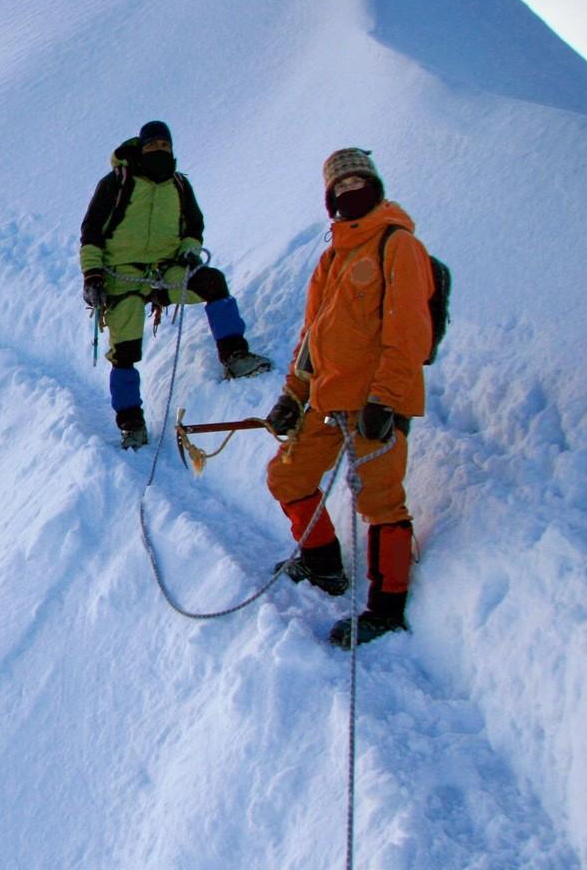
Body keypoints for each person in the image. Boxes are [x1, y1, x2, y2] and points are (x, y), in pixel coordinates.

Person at [263, 147, 434, 648]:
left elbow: (408, 333)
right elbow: (311, 338)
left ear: (375, 187)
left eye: (358, 182)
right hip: (327, 400)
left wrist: (386, 399)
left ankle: (387, 609)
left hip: (376, 404)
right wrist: (293, 395)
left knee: (380, 501)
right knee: (288, 477)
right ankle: (323, 566)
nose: (349, 191)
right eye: (340, 186)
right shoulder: (332, 257)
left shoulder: (398, 245)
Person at [80, 120, 272, 449]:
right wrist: (93, 276)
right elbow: (92, 234)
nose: (159, 150)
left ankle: (234, 356)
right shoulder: (116, 183)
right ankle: (130, 423)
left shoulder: (179, 185)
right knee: (124, 352)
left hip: (166, 271)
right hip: (120, 276)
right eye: (152, 146)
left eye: (164, 146)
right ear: (141, 148)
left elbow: (193, 228)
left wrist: (188, 252)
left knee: (212, 283)